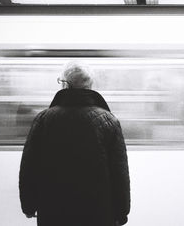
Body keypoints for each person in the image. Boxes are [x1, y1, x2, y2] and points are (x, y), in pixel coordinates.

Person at [19, 62, 130, 226]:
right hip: (98, 212)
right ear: (90, 86)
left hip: (54, 211)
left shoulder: (44, 119)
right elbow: (119, 172)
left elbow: (30, 167)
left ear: (64, 85)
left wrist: (29, 205)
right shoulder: (109, 121)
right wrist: (121, 212)